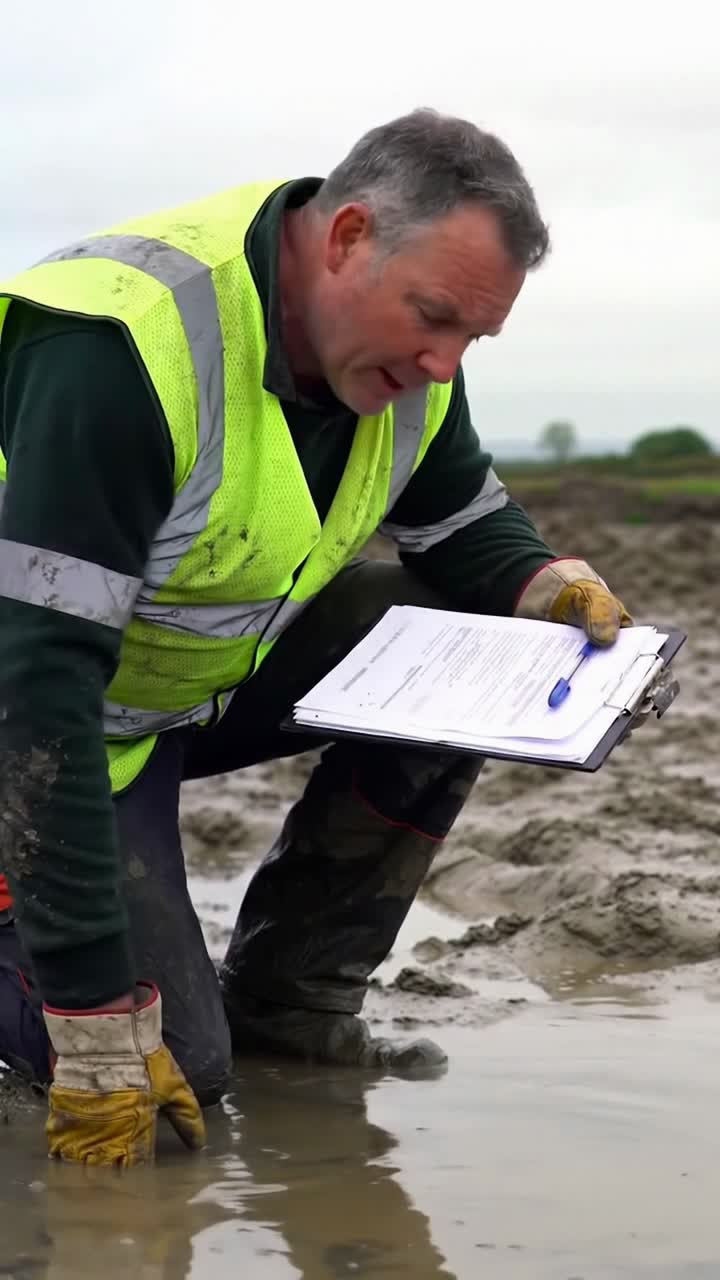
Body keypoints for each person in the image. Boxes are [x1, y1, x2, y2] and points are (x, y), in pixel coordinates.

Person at [0, 108, 631, 1167]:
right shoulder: (119, 348)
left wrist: (546, 584)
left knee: (482, 653)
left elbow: (463, 518)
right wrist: (93, 1017)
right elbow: (37, 691)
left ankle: (292, 1004)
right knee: (165, 1085)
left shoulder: (403, 354)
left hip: (155, 697)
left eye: (473, 337)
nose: (443, 363)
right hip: (34, 713)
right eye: (434, 318)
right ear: (346, 238)